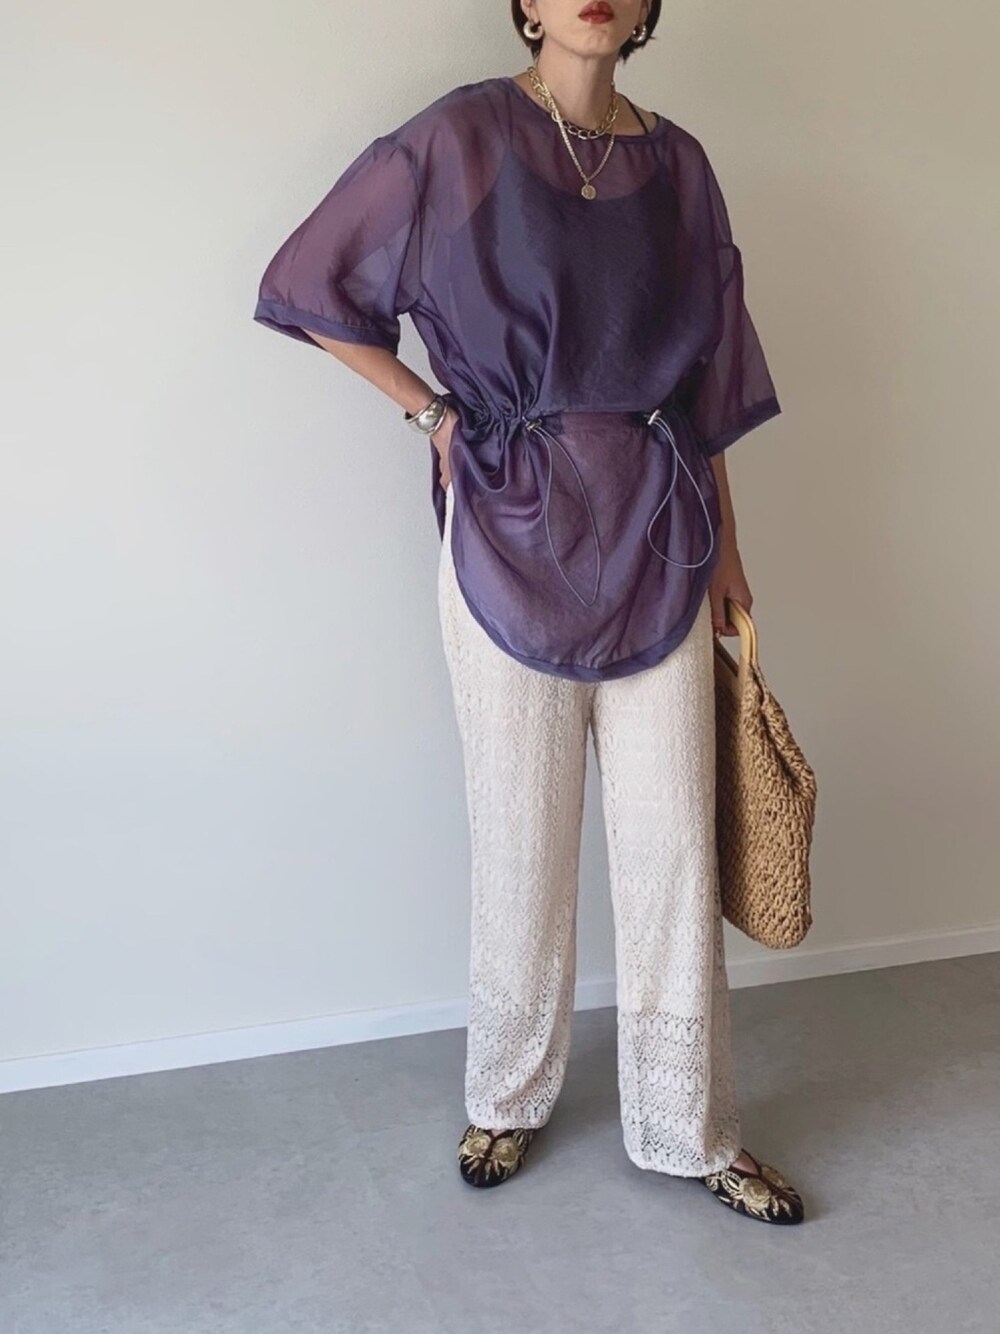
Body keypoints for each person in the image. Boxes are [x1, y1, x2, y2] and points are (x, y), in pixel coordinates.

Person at [253, 0, 805, 1226]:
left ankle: (691, 1124)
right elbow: (308, 279)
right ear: (526, 6)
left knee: (673, 842)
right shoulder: (460, 140)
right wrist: (430, 412)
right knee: (519, 828)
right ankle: (505, 1094)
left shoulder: (681, 167)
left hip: (661, 531)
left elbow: (707, 385)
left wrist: (730, 550)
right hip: (507, 525)